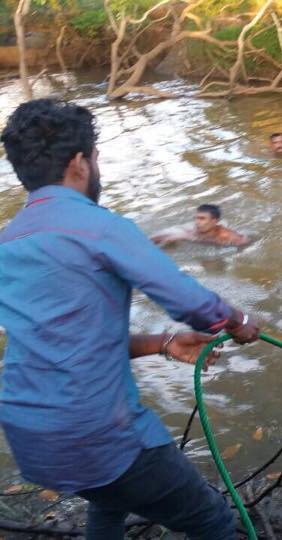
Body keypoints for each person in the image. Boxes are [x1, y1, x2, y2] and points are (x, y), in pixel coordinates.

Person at [0, 99, 261, 539]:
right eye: (96, 157)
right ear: (80, 163)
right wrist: (239, 320)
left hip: (31, 436)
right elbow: (191, 302)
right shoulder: (98, 225)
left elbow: (57, 340)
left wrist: (162, 342)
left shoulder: (8, 240)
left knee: (108, 503)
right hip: (96, 435)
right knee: (210, 519)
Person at [151, 204, 250, 247]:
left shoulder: (226, 236)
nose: (197, 222)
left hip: (208, 238)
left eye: (202, 219)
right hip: (192, 234)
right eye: (197, 218)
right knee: (167, 237)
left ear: (214, 221)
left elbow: (244, 242)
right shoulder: (194, 229)